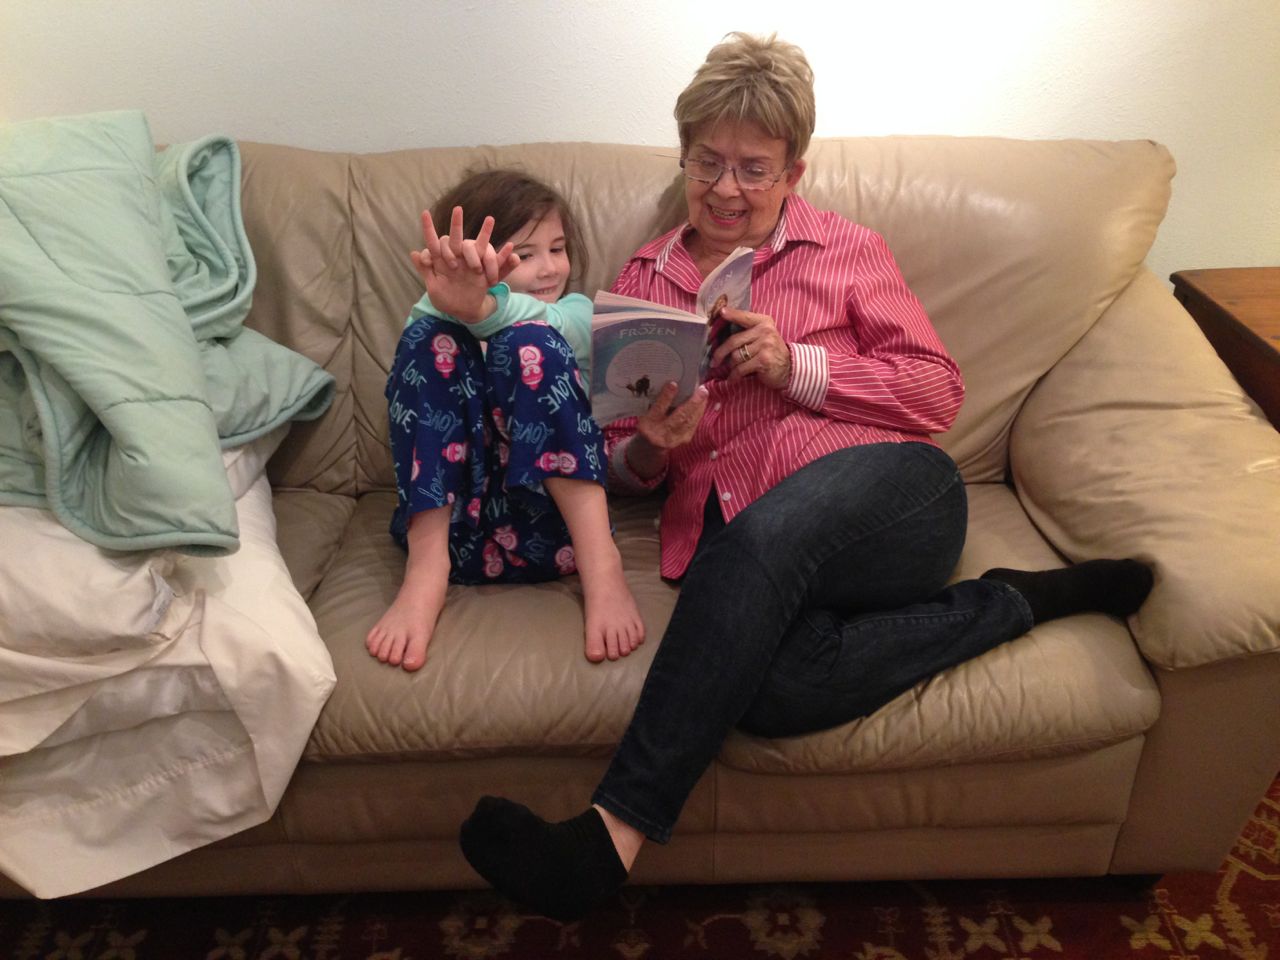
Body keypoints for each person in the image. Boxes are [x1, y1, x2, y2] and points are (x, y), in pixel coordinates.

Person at [458, 33, 1154, 919]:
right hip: (744, 544)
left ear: (794, 172)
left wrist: (799, 368)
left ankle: (610, 836)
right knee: (776, 688)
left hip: (893, 495)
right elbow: (620, 461)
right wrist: (655, 447)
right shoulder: (642, 279)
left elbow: (938, 392)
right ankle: (1017, 601)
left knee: (765, 537)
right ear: (684, 158)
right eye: (707, 163)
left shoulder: (847, 250)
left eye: (754, 169)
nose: (726, 189)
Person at [366, 170, 645, 671]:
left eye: (557, 249)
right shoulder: (437, 315)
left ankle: (603, 567)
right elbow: (415, 383)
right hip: (459, 531)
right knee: (428, 342)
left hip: (554, 531)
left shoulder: (575, 311)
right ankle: (425, 574)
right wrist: (454, 304)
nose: (549, 268)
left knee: (530, 341)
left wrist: (481, 307)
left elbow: (550, 323)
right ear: (478, 259)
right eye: (526, 255)